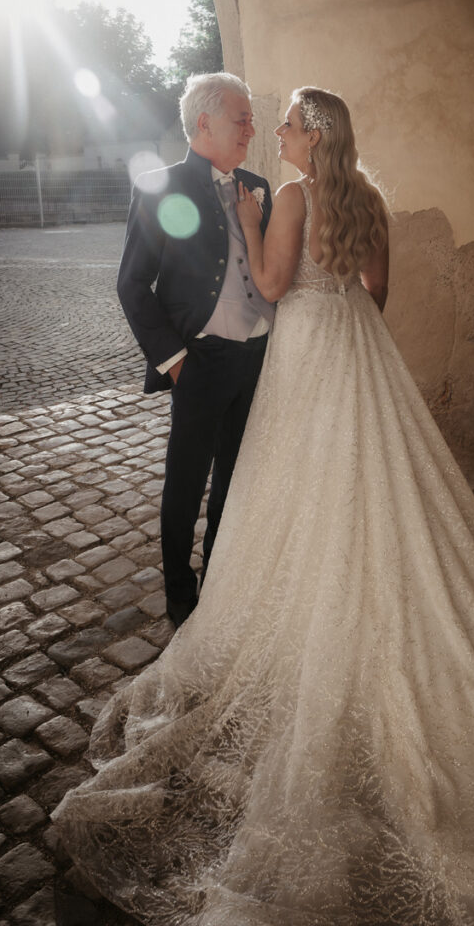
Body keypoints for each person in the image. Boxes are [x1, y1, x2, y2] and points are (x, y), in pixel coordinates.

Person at [54, 88, 474, 925]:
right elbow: (375, 290)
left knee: (286, 480)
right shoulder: (367, 196)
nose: (268, 130)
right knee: (354, 474)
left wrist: (253, 233)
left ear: (307, 135)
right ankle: (205, 584)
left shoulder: (282, 193)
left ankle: (262, 597)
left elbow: (276, 284)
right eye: (256, 120)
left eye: (278, 120)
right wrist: (207, 347)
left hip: (297, 357)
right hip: (350, 350)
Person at [117, 72, 274, 628]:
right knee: (185, 484)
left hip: (256, 359)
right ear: (204, 122)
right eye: (242, 118)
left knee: (235, 477)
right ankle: (181, 597)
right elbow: (132, 284)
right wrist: (175, 361)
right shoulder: (160, 187)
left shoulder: (258, 185)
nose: (252, 128)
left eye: (251, 118)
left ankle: (219, 585)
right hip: (200, 361)